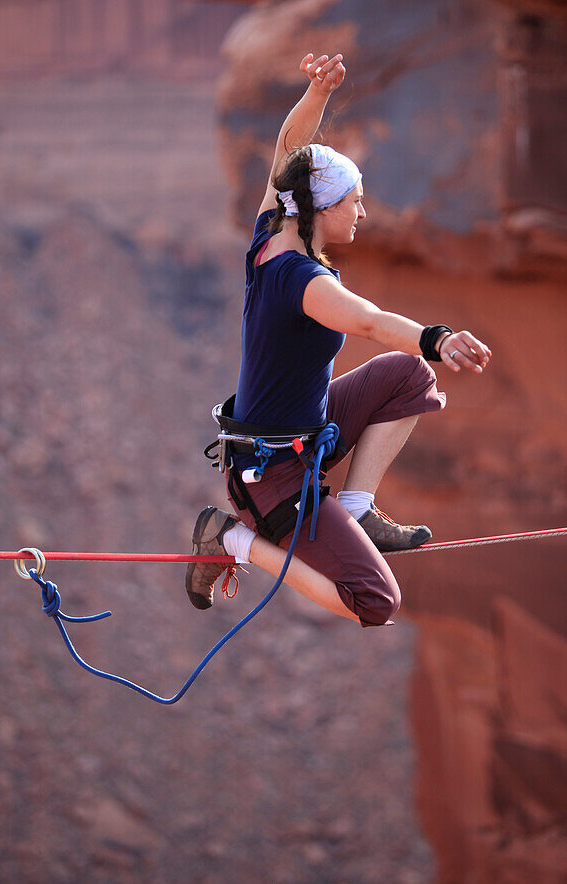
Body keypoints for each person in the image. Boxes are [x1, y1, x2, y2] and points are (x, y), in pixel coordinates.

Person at [186, 52, 491, 627]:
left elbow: (287, 150)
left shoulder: (271, 231)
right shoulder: (304, 281)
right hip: (272, 478)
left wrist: (317, 95)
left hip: (294, 438)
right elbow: (372, 323)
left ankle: (355, 508)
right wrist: (438, 338)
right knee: (376, 602)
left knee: (408, 376)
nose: (362, 211)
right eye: (354, 200)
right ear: (324, 208)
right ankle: (231, 541)